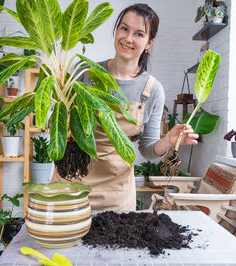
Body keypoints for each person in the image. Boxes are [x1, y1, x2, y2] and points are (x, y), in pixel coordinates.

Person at [52, 3, 199, 210]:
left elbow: (148, 150)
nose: (128, 38)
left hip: (116, 193)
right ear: (116, 30)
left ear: (149, 42)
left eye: (139, 34)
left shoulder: (152, 90)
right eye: (124, 28)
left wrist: (168, 140)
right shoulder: (85, 72)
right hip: (71, 182)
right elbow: (59, 120)